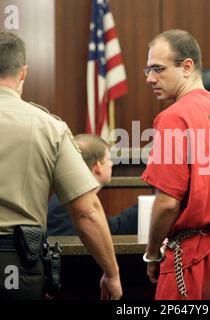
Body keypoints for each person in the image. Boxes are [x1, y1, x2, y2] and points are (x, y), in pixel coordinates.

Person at [0, 30, 121, 300]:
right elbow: (86, 211)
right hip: (17, 264)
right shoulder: (48, 128)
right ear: (23, 73)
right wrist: (111, 273)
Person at [141, 29, 210, 300]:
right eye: (147, 69)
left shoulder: (174, 117)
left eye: (158, 69)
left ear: (187, 67)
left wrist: (152, 252)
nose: (150, 78)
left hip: (191, 260)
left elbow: (167, 203)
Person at [47, 134, 138, 236]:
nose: (112, 164)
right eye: (108, 159)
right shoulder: (71, 202)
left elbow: (114, 228)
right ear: (98, 166)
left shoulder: (72, 195)